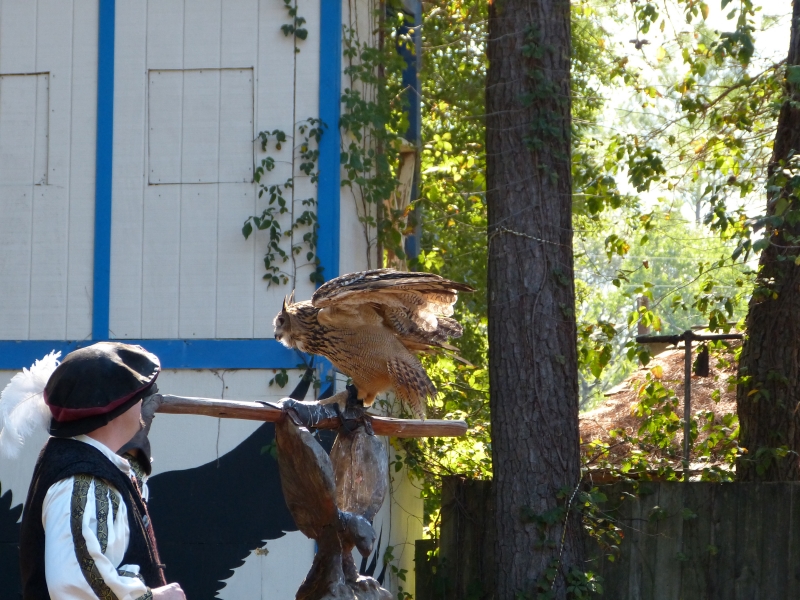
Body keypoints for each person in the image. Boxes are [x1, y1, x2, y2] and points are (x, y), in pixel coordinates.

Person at [18, 342, 186, 600]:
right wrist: (158, 598)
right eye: (138, 397)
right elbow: (76, 586)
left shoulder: (89, 463)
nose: (142, 403)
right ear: (117, 408)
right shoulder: (82, 480)